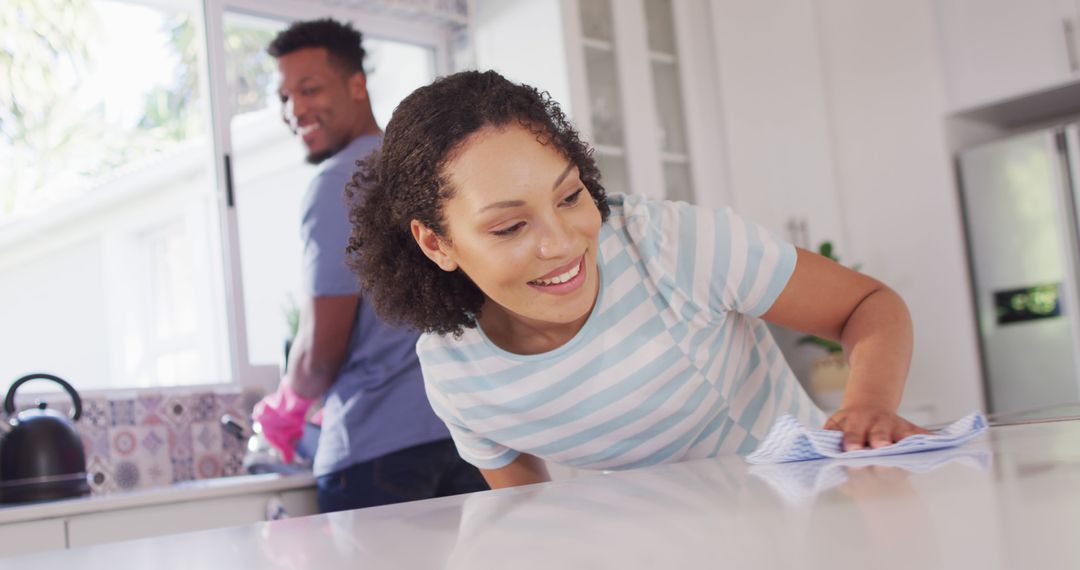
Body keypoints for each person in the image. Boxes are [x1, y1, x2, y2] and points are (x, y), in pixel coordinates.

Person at [346, 70, 930, 490]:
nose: (562, 243)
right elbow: (528, 517)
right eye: (509, 227)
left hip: (814, 512)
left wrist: (868, 405)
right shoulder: (458, 374)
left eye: (570, 196)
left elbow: (870, 305)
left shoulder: (671, 246)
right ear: (436, 243)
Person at [252, 19, 488, 512]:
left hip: (378, 453)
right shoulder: (432, 170)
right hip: (468, 437)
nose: (295, 109)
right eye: (284, 97)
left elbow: (320, 352)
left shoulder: (336, 183)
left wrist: (290, 403)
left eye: (309, 89)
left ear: (357, 84)